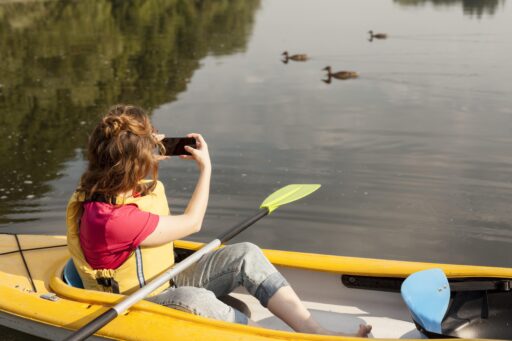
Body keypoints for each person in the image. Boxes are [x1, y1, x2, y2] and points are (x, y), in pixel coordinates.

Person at [66, 104, 372, 337]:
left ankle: (312, 333)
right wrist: (206, 168)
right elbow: (193, 222)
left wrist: (151, 150)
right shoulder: (111, 220)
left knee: (246, 254)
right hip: (138, 302)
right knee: (195, 299)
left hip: (161, 279)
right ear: (134, 164)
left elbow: (127, 167)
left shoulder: (108, 186)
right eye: (147, 148)